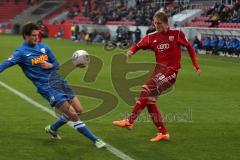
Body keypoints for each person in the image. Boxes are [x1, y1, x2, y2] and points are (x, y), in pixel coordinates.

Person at [0, 22, 106, 148]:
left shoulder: (44, 47)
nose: (36, 37)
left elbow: (56, 64)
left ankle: (53, 128)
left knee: (79, 110)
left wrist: (50, 65)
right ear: (25, 36)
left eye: (37, 35)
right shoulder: (21, 53)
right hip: (47, 88)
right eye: (33, 35)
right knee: (72, 114)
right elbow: (5, 64)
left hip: (59, 81)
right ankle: (95, 140)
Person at [113, 11, 201, 142]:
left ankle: (130, 121)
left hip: (171, 72)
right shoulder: (151, 37)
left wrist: (196, 65)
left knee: (146, 89)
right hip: (159, 72)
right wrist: (131, 51)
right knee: (149, 101)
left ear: (166, 23)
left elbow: (189, 47)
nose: (156, 26)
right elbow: (138, 45)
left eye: (158, 23)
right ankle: (163, 132)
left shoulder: (177, 34)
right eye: (154, 23)